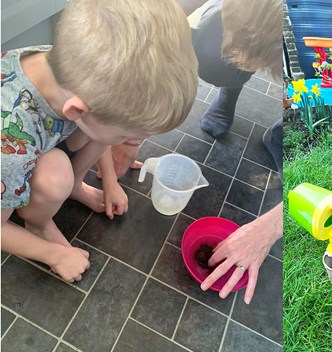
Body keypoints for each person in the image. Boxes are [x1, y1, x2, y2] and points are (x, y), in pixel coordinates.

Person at [1, 0, 198, 282]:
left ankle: (73, 185)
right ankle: (38, 223)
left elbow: (96, 124)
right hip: (15, 157)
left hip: (44, 134)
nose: (131, 144)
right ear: (77, 110)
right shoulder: (8, 152)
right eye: (127, 136)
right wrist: (52, 254)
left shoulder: (72, 71)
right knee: (55, 175)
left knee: (100, 129)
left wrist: (109, 180)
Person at [102, 0, 283, 304]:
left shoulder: (316, 37)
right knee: (217, 54)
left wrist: (267, 229)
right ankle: (231, 87)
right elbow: (150, 17)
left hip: (300, 54)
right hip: (244, 26)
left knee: (307, 105)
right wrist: (127, 135)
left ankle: (284, 129)